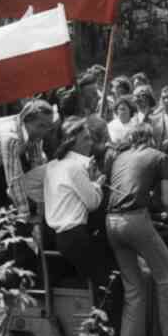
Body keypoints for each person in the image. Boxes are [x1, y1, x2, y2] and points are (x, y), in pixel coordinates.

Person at [106, 124, 168, 336]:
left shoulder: (120, 157)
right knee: (167, 274)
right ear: (152, 138)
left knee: (134, 288)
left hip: (111, 222)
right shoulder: (160, 158)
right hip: (135, 220)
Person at [43, 117, 108, 294]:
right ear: (72, 142)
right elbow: (93, 203)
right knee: (106, 285)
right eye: (86, 139)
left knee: (93, 284)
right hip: (76, 236)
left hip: (59, 236)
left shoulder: (52, 166)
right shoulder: (75, 167)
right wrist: (96, 183)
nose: (91, 143)